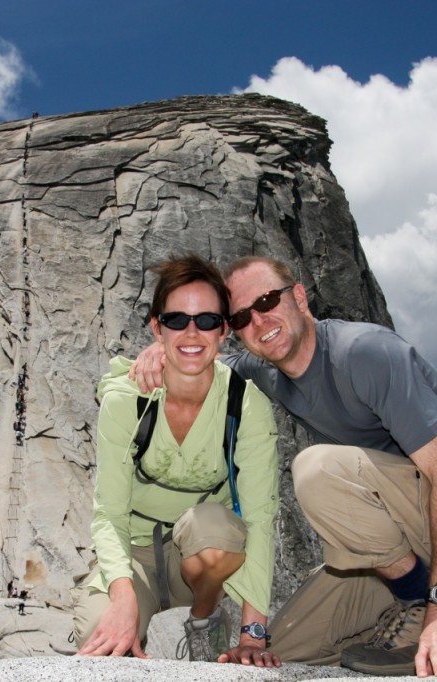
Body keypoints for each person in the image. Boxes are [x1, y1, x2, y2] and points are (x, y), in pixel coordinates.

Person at [130, 256, 437, 677]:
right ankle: (430, 649)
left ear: (299, 297)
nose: (259, 321)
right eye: (241, 316)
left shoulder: (365, 353)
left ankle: (418, 604)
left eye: (267, 301)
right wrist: (165, 349)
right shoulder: (263, 370)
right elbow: (202, 365)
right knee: (278, 653)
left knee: (318, 470)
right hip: (397, 539)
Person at [73, 254, 282, 667]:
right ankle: (129, 609)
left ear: (224, 330)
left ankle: (205, 622)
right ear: (156, 327)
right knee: (100, 636)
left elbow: (259, 517)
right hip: (137, 552)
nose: (192, 333)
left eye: (206, 320)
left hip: (203, 555)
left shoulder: (246, 405)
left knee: (214, 525)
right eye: (176, 321)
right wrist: (122, 595)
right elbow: (109, 513)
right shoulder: (126, 400)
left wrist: (253, 635)